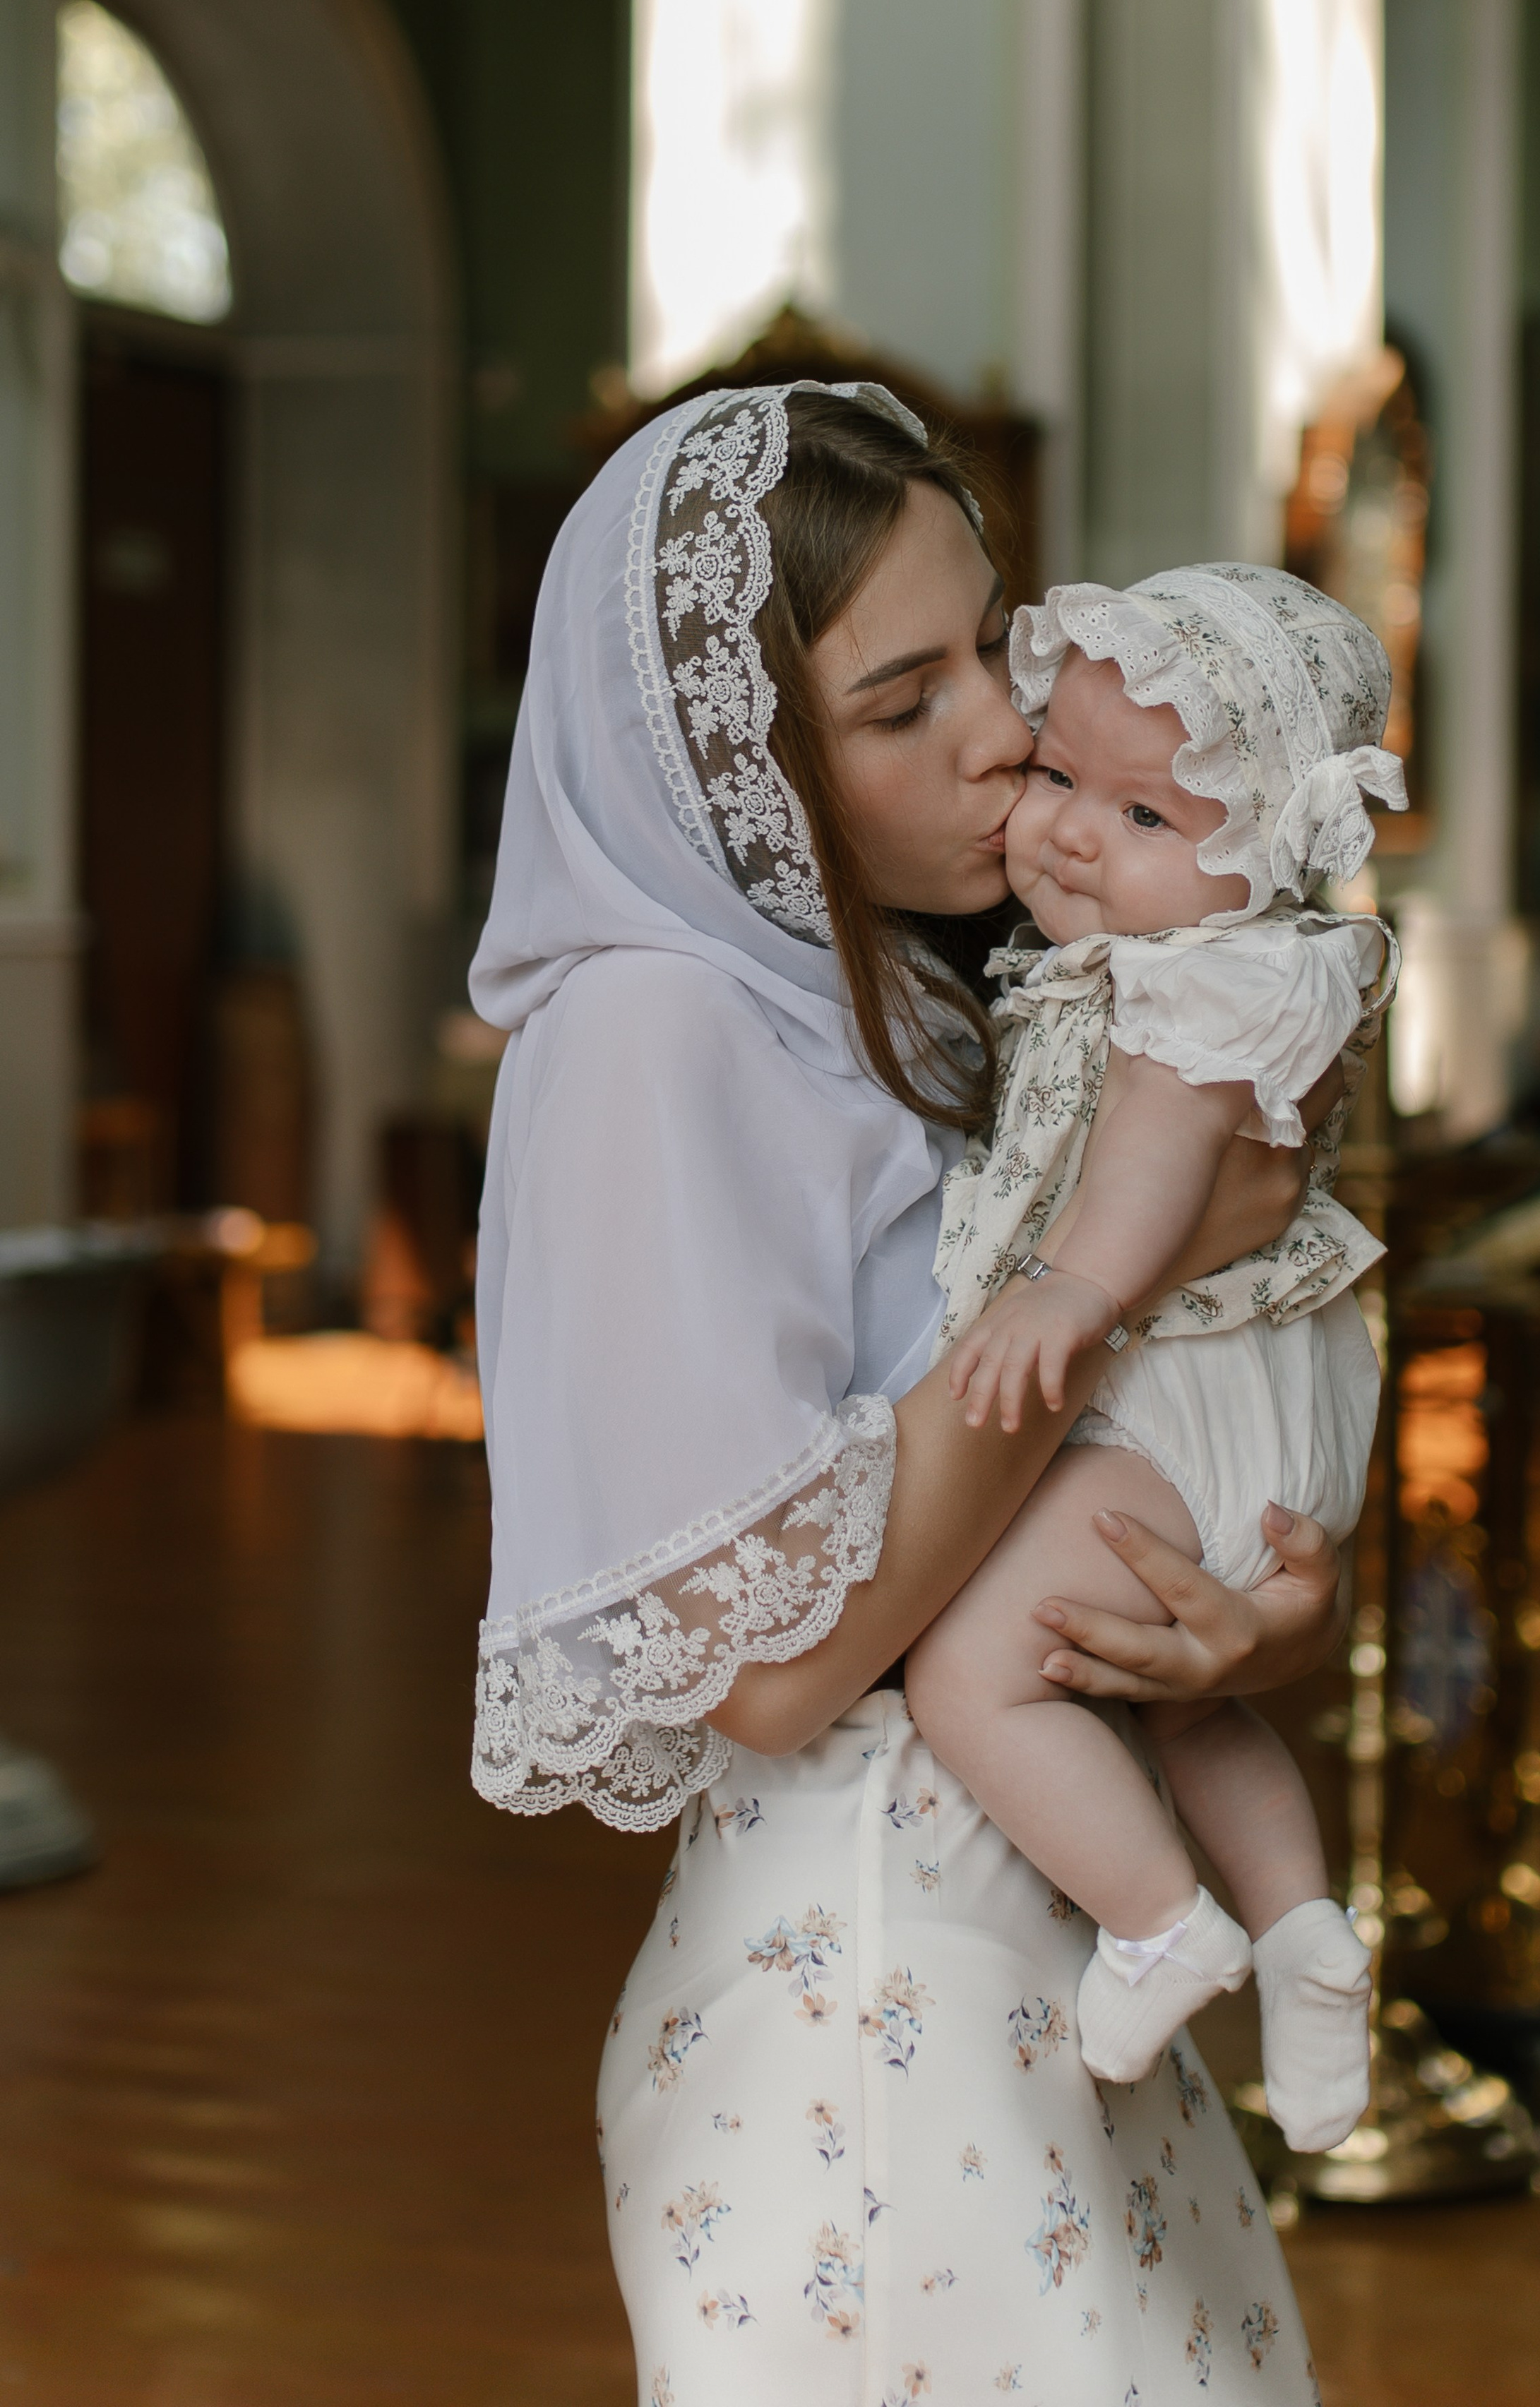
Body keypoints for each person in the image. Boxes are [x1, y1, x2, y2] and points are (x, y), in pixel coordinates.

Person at [469, 383, 1348, 2406]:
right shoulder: (648, 1041)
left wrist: (1239, 1616)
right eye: (899, 703)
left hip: (1045, 1940)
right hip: (866, 1993)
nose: (1004, 736)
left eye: (992, 649)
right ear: (731, 763)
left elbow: (1050, 1471)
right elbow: (766, 1667)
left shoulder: (937, 1004)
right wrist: (1149, 1269)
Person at [907, 571, 1403, 2144]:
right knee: (1193, 1709)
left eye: (1143, 820)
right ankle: (1304, 1935)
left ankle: (1158, 1922)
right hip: (1267, 1409)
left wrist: (1065, 1289)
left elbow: (1150, 1154)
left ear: (1262, 860)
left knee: (975, 1673)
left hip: (1169, 1392)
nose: (1067, 834)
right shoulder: (1223, 959)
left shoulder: (1200, 979)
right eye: (1059, 777)